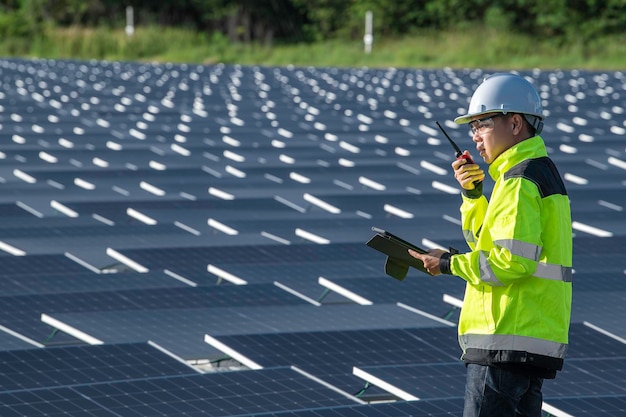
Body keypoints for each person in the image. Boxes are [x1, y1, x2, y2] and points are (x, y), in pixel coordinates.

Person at [408, 72, 572, 417]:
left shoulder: (518, 182)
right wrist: (472, 196)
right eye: (472, 128)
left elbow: (511, 262)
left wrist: (449, 263)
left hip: (503, 338)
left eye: (482, 124)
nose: (475, 137)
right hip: (527, 338)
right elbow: (488, 240)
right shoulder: (534, 172)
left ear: (515, 123)